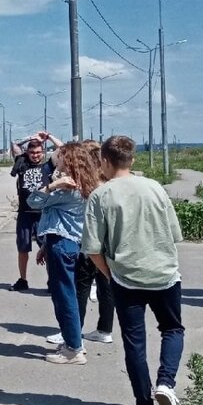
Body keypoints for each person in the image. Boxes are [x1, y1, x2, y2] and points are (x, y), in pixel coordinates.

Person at [82, 136, 185, 405]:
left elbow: (92, 248)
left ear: (103, 160)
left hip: (125, 278)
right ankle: (165, 383)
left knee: (135, 343)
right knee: (172, 329)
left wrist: (109, 273)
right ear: (133, 160)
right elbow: (175, 234)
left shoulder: (101, 196)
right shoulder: (155, 188)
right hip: (164, 274)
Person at [27, 142, 103, 365]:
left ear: (68, 160)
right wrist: (43, 246)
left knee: (64, 296)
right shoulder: (87, 183)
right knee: (67, 294)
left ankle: (73, 349)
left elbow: (33, 201)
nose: (55, 159)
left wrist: (52, 185)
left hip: (62, 245)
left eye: (59, 156)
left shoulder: (67, 187)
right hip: (70, 242)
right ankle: (73, 340)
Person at [44, 139, 114, 347]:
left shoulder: (83, 185)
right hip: (106, 240)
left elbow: (37, 201)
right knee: (105, 286)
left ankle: (73, 334)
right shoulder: (104, 182)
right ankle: (104, 329)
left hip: (86, 241)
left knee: (78, 289)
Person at [9, 131, 64, 291]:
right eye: (32, 152)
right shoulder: (22, 163)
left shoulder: (48, 165)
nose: (35, 155)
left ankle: (51, 281)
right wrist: (31, 138)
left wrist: (49, 137)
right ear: (28, 152)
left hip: (43, 214)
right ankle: (23, 279)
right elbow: (15, 145)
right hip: (25, 213)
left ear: (43, 152)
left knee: (47, 248)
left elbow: (63, 149)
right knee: (22, 248)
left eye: (39, 152)